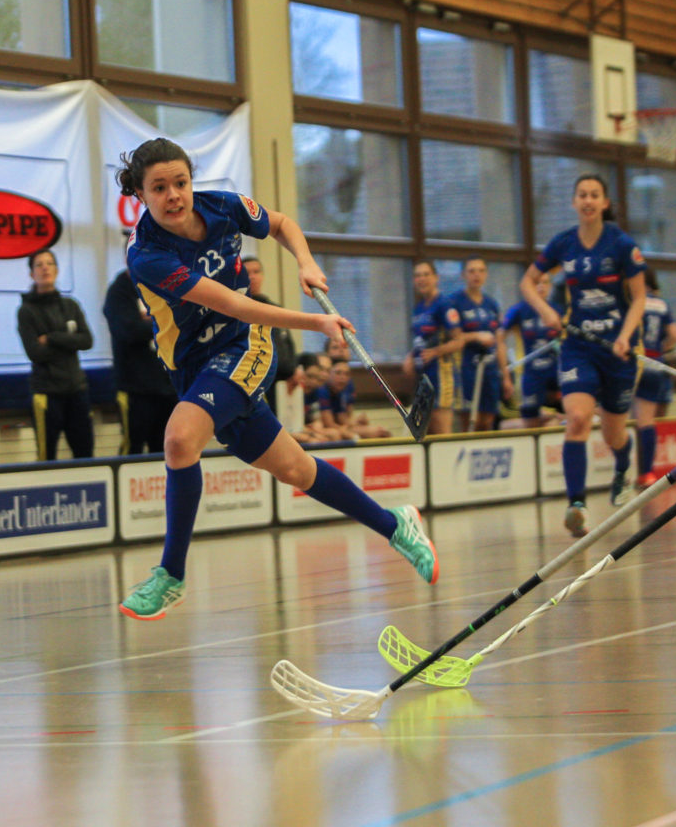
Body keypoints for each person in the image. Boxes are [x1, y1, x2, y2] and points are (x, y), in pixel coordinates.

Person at [113, 137, 438, 620]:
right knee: (296, 470)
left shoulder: (222, 207)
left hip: (244, 345)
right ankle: (396, 525)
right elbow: (230, 301)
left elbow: (282, 226)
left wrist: (305, 261)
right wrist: (318, 323)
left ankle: (170, 575)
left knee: (180, 439)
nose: (174, 195)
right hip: (195, 368)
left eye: (180, 182)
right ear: (140, 194)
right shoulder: (147, 255)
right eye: (159, 188)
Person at [519, 173, 647, 537]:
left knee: (613, 435)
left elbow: (639, 298)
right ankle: (576, 505)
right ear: (574, 202)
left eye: (595, 195)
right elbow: (527, 282)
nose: (588, 200)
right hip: (578, 348)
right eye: (582, 195)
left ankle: (624, 463)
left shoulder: (621, 244)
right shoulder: (562, 244)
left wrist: (625, 336)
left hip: (618, 351)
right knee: (576, 418)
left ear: (605, 203)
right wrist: (545, 310)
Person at [16, 248, 95, 460]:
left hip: (77, 390)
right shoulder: (26, 311)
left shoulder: (70, 305)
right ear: (32, 274)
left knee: (85, 453)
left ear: (57, 270)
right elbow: (35, 353)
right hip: (46, 393)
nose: (45, 268)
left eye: (49, 263)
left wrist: (51, 338)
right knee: (46, 456)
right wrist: (70, 342)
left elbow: (87, 341)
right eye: (39, 265)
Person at [104, 266, 179, 455]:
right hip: (135, 388)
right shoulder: (120, 291)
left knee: (166, 447)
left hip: (167, 384)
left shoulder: (163, 284)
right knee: (133, 447)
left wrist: (150, 320)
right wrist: (161, 321)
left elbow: (181, 323)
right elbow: (127, 330)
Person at [450, 257, 512, 432]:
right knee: (470, 420)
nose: (476, 275)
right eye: (472, 271)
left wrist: (505, 376)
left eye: (481, 271)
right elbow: (453, 337)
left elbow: (499, 341)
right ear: (463, 275)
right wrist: (476, 336)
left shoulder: (491, 304)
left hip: (490, 368)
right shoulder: (454, 302)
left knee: (487, 421)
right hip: (466, 368)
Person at [402, 260, 461, 436]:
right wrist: (411, 357)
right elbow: (421, 341)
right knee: (425, 428)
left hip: (441, 374)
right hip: (422, 376)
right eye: (418, 275)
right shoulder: (419, 308)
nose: (422, 279)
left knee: (440, 424)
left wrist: (436, 352)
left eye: (426, 275)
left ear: (436, 278)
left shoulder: (444, 304)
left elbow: (459, 340)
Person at [633, 269, 676, 487]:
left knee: (615, 415)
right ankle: (646, 473)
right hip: (654, 363)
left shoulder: (633, 302)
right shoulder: (662, 304)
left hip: (632, 362)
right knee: (647, 421)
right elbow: (674, 335)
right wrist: (660, 349)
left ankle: (622, 470)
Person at [500, 275, 562, 428]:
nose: (541, 287)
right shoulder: (518, 310)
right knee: (531, 419)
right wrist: (505, 375)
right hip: (530, 373)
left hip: (556, 372)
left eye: (545, 282)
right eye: (536, 283)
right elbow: (500, 337)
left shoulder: (557, 310)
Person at [242, 255, 302, 413]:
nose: (253, 277)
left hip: (283, 383)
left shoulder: (274, 308)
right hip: (256, 381)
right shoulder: (238, 309)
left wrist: (294, 368)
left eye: (256, 271)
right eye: (247, 272)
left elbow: (287, 343)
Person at [318, 358, 390, 439]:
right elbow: (329, 424)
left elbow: (343, 420)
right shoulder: (322, 391)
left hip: (339, 428)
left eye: (347, 374)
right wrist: (355, 428)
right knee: (338, 435)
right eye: (338, 373)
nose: (342, 377)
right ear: (329, 373)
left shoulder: (342, 391)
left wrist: (356, 422)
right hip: (323, 430)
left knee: (381, 431)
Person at [291, 352, 342, 444]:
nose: (313, 382)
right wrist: (312, 433)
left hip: (306, 429)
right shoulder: (291, 391)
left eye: (316, 377)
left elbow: (317, 419)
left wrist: (316, 425)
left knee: (334, 434)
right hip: (290, 431)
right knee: (317, 440)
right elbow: (290, 425)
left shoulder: (314, 391)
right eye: (309, 376)